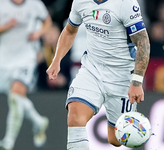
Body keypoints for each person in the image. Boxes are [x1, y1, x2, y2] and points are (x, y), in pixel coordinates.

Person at [46, 0, 150, 149]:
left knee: (115, 139)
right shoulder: (80, 2)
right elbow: (70, 30)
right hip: (92, 69)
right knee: (75, 116)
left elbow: (143, 43)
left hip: (121, 76)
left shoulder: (125, 3)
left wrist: (137, 81)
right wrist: (56, 60)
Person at [0, 0, 52, 149]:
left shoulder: (35, 4)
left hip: (26, 59)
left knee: (16, 96)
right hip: (4, 60)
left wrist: (39, 33)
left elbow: (47, 21)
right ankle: (38, 122)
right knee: (16, 98)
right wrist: (6, 27)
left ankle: (8, 142)